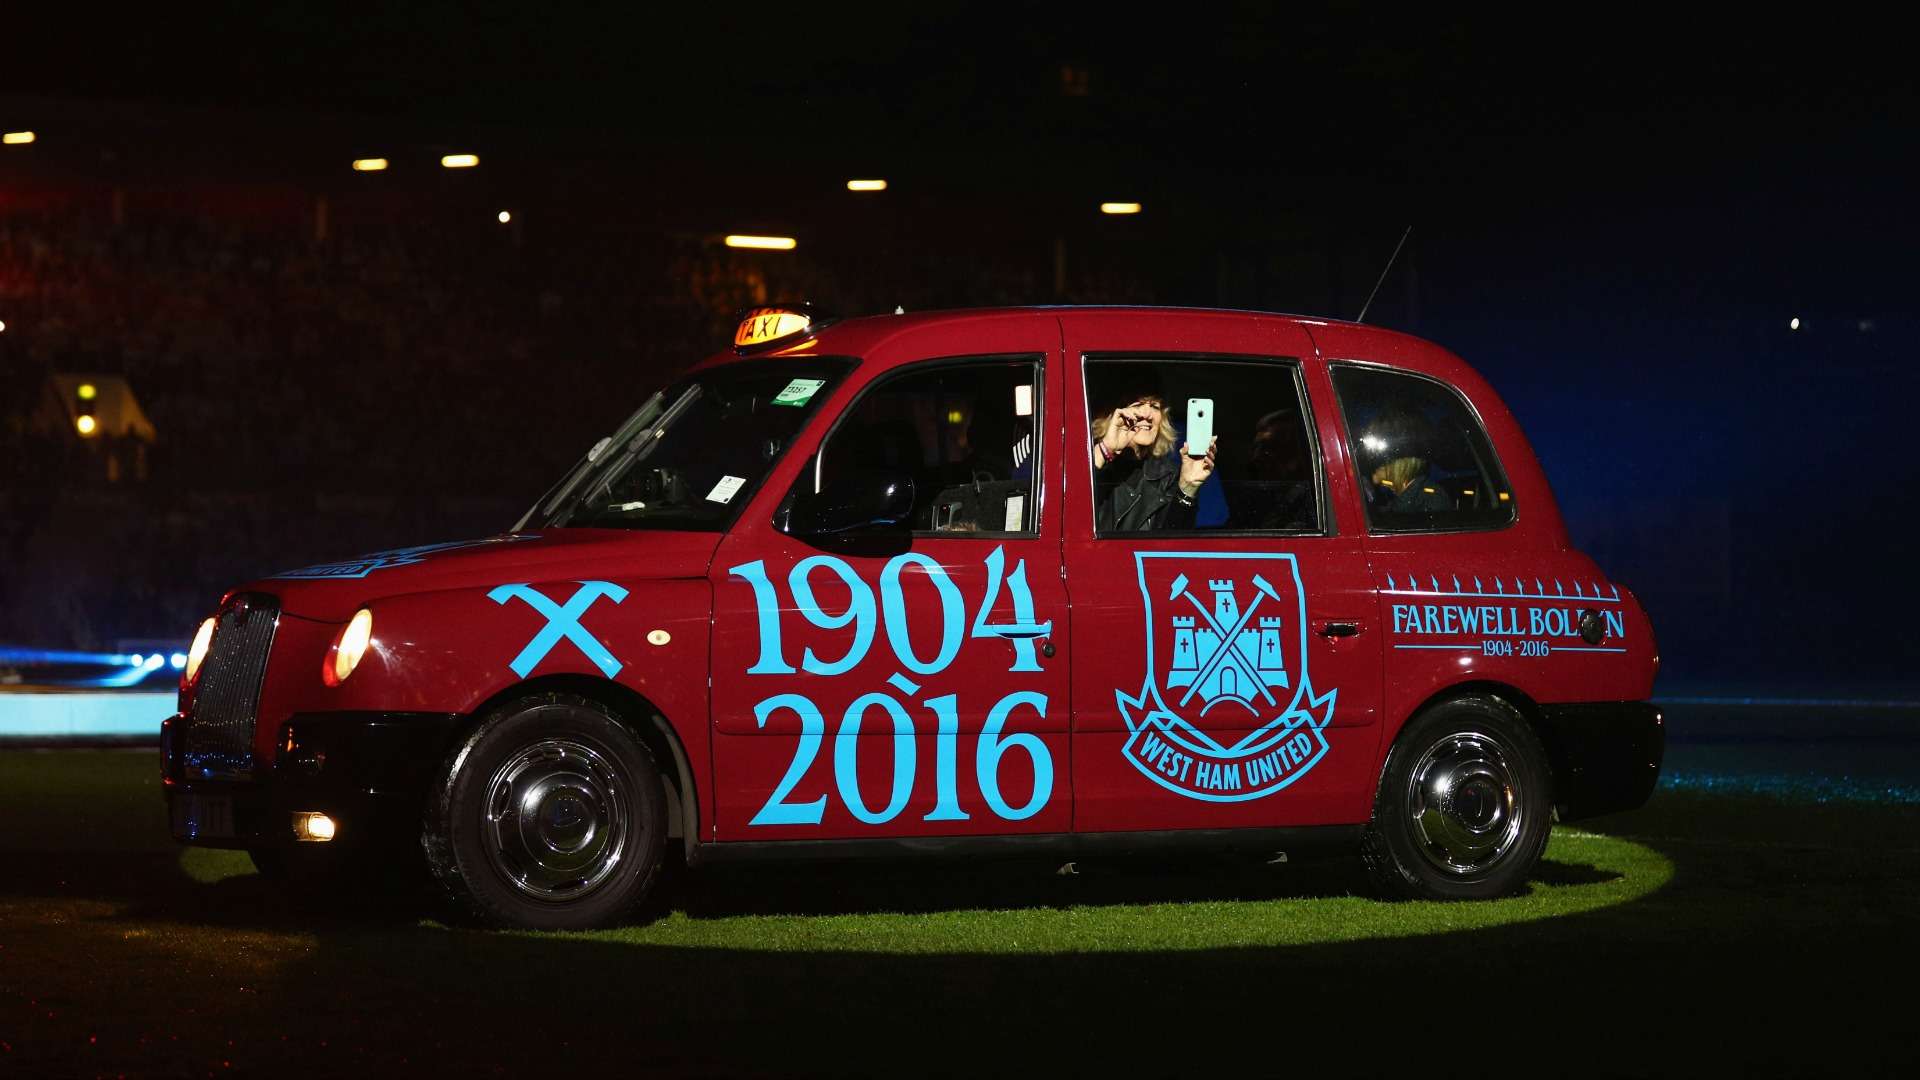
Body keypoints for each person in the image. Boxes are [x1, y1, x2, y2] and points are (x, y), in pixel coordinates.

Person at [1091, 391, 1216, 531]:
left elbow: (1172, 542)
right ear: (1112, 415)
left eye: (1155, 406)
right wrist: (1104, 451)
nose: (1148, 414)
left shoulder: (1168, 477)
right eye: (1138, 405)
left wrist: (1187, 488)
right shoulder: (1087, 459)